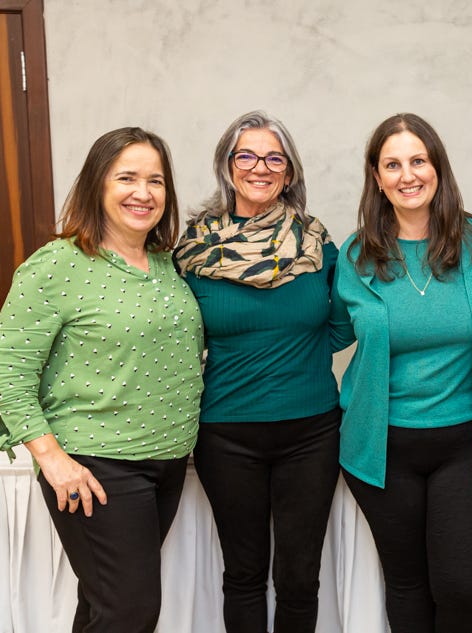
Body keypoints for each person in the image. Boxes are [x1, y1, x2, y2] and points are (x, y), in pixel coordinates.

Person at [0, 127, 203, 632]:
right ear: (97, 184)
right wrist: (51, 458)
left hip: (166, 460)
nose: (143, 192)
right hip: (96, 466)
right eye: (127, 177)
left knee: (104, 606)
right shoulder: (57, 265)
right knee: (129, 611)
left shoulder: (164, 264)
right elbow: (8, 371)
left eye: (155, 180)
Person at [329, 112, 472, 633]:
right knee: (405, 586)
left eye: (418, 160)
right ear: (377, 178)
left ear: (437, 167)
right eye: (393, 164)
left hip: (467, 444)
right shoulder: (357, 254)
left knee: (459, 587)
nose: (408, 175)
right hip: (383, 448)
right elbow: (332, 332)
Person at [173, 111, 340, 633]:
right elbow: (179, 338)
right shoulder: (193, 250)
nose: (260, 167)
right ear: (228, 166)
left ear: (289, 172)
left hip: (311, 431)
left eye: (274, 157)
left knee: (299, 576)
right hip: (227, 435)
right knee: (243, 573)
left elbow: (341, 323)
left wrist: (293, 355)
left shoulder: (317, 245)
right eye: (246, 155)